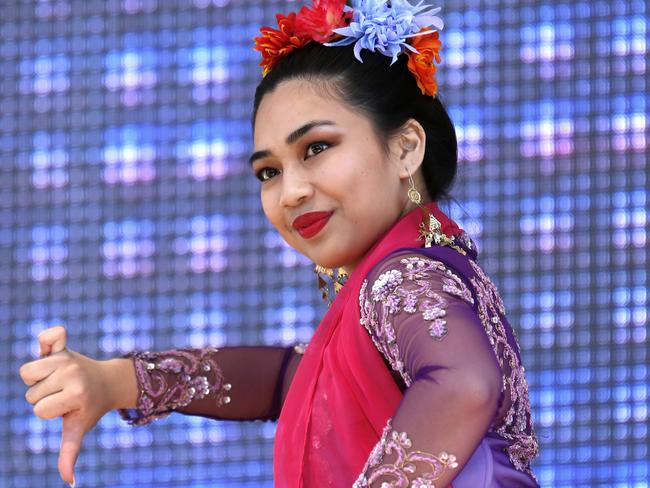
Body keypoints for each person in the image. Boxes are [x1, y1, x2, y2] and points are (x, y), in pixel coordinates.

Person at [19, 0, 540, 486]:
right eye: (268, 172)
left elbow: (463, 384)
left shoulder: (401, 278)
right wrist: (117, 382)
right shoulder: (404, 277)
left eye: (316, 147)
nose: (290, 192)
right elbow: (288, 379)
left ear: (405, 148)